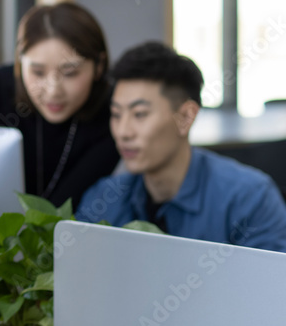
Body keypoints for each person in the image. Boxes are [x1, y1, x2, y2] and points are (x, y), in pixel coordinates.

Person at [77, 42, 286, 251]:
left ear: (186, 117)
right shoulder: (102, 200)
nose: (123, 131)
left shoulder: (250, 199)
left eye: (139, 114)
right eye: (116, 115)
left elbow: (269, 282)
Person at [0, 2, 120, 207]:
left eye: (70, 73)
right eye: (38, 72)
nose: (53, 91)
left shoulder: (115, 112)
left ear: (99, 66)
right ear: (20, 63)